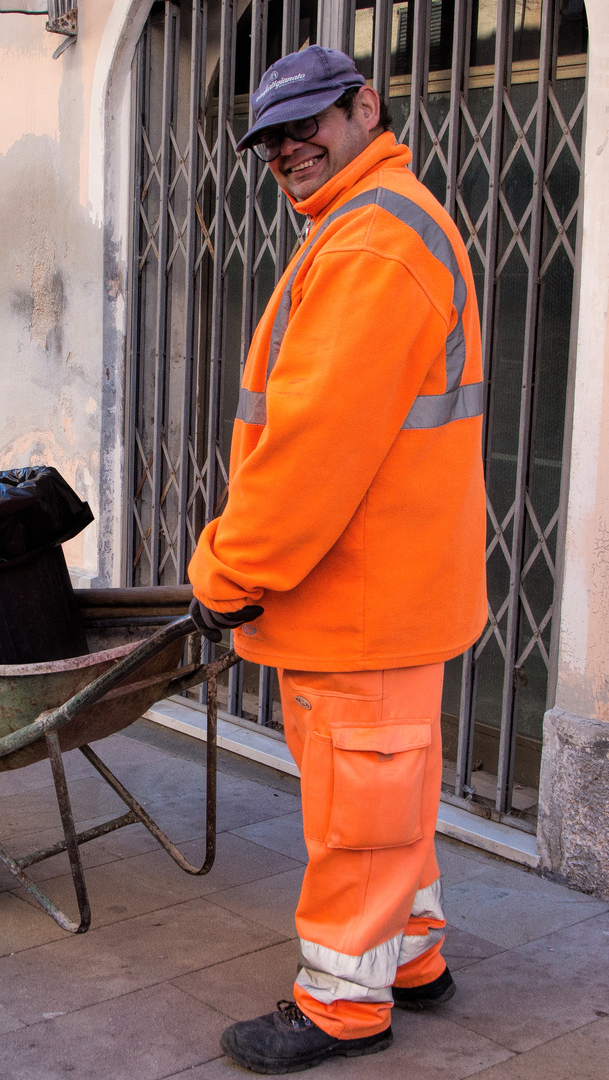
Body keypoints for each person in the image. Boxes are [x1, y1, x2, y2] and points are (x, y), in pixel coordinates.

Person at [187, 45, 487, 1074]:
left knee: (360, 807)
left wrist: (227, 574)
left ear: (365, 108)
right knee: (392, 791)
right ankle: (409, 957)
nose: (286, 148)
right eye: (269, 136)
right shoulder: (372, 223)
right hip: (389, 590)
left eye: (307, 122)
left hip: (360, 594)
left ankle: (341, 1003)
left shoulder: (369, 246)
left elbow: (311, 452)